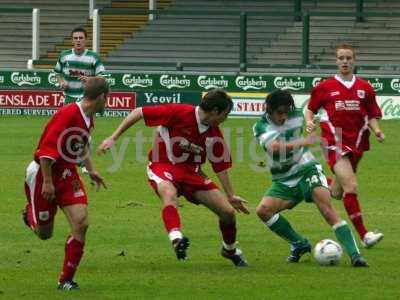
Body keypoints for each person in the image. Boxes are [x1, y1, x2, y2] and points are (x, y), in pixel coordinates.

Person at [97, 89, 250, 266]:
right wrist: (113, 138)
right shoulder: (179, 112)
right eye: (225, 114)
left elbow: (221, 166)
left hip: (192, 173)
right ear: (215, 111)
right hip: (163, 165)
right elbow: (139, 112)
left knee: (228, 213)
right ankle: (176, 238)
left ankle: (229, 250)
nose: (226, 118)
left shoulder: (214, 133)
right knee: (169, 195)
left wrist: (231, 195)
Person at [254, 89, 368, 267]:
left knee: (327, 210)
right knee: (263, 211)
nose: (283, 117)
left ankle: (356, 256)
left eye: (286, 112)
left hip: (307, 169)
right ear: (268, 109)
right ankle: (299, 244)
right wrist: (303, 141)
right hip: (284, 179)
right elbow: (275, 148)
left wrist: (313, 123)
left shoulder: (298, 115)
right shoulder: (261, 126)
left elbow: (318, 114)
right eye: (279, 113)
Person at [22, 77, 108, 290]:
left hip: (67, 173)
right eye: (108, 98)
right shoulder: (68, 114)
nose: (108, 102)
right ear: (101, 97)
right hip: (45, 172)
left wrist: (90, 169)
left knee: (81, 223)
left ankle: (65, 280)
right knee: (44, 234)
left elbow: (81, 145)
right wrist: (48, 183)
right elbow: (45, 151)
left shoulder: (90, 117)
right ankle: (30, 213)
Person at [305, 43, 384, 248]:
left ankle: (312, 186)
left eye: (348, 58)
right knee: (351, 186)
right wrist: (309, 121)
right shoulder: (325, 87)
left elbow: (373, 114)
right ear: (336, 61)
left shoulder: (365, 88)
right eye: (341, 58)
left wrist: (377, 130)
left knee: (338, 192)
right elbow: (310, 109)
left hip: (357, 143)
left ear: (354, 60)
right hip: (334, 142)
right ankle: (365, 235)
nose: (345, 62)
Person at [54, 26, 105, 105]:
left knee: (87, 118)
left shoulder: (94, 57)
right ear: (72, 41)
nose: (78, 40)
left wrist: (90, 79)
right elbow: (57, 72)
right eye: (75, 38)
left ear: (86, 40)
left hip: (87, 98)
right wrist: (61, 82)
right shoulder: (64, 55)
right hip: (69, 97)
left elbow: (102, 77)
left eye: (81, 38)